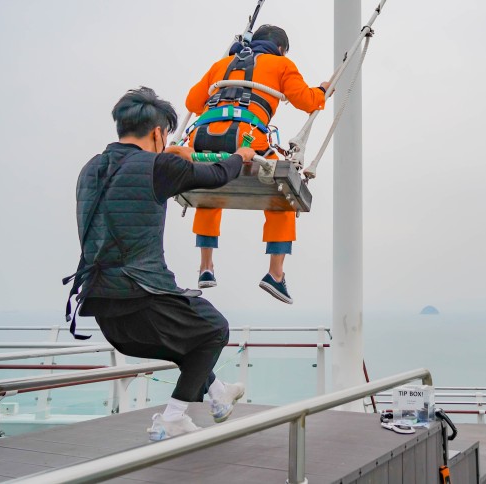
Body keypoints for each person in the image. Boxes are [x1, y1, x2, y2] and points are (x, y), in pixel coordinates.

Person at [66, 86, 257, 440]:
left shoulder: (90, 168)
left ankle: (218, 396)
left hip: (102, 304)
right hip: (142, 292)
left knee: (191, 345)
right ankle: (172, 416)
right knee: (215, 330)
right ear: (158, 132)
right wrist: (241, 155)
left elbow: (128, 179)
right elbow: (216, 175)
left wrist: (171, 156)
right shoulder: (161, 165)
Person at [183, 24, 329, 305]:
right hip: (248, 141)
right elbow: (306, 100)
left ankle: (206, 267)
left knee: (208, 192)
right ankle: (275, 274)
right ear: (281, 48)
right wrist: (322, 90)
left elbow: (192, 101)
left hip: (201, 141)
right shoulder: (281, 64)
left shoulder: (222, 64)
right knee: (283, 194)